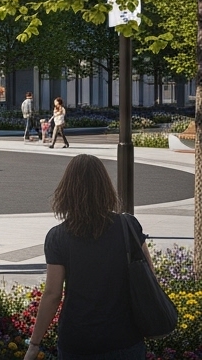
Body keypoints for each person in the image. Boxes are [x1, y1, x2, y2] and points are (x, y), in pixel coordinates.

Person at [24, 154, 149, 360]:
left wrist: (35, 344)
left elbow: (53, 294)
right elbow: (148, 275)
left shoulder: (58, 237)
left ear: (67, 190)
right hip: (126, 337)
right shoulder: (128, 226)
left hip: (78, 340)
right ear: (106, 187)